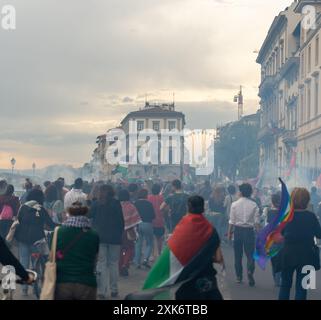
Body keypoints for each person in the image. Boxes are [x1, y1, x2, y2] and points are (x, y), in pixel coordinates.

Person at [143, 196, 224, 300]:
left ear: (188, 207)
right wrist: (204, 257)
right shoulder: (211, 230)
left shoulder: (182, 228)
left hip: (186, 282)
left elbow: (172, 255)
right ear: (203, 209)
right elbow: (218, 258)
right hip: (206, 281)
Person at [277, 188, 321, 300]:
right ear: (307, 201)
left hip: (288, 254)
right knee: (302, 287)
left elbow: (279, 233)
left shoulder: (287, 215)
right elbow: (319, 234)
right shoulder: (311, 217)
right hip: (306, 256)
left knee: (285, 285)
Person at [14, 189, 56, 296]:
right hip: (37, 239)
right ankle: (36, 287)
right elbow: (50, 224)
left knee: (24, 263)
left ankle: (24, 290)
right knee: (36, 262)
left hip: (22, 239)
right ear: (40, 198)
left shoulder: (23, 207)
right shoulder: (41, 209)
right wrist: (60, 226)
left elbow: (17, 221)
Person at [55, 202, 99, 300]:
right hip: (86, 282)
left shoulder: (59, 232)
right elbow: (95, 258)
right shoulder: (93, 235)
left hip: (63, 282)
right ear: (86, 214)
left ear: (69, 214)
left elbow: (54, 255)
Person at [90, 184, 124, 299]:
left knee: (101, 264)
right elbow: (121, 221)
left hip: (99, 238)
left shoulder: (96, 204)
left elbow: (89, 216)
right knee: (113, 264)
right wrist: (120, 235)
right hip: (115, 238)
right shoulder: (116, 203)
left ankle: (101, 291)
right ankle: (114, 290)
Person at [228, 183, 260, 287]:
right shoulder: (254, 205)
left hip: (238, 231)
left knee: (238, 255)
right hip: (249, 232)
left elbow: (232, 221)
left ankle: (238, 276)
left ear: (241, 192)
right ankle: (250, 271)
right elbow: (257, 223)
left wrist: (229, 233)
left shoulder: (234, 204)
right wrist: (260, 235)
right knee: (250, 255)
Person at [118, 189, 141, 277]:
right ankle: (125, 264)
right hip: (129, 230)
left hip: (118, 231)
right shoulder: (131, 206)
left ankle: (119, 267)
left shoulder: (116, 205)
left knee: (120, 249)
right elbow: (136, 220)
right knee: (129, 248)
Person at [263, 192, 282, 287]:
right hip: (282, 239)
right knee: (281, 260)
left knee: (273, 260)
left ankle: (276, 279)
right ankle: (279, 279)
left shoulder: (268, 211)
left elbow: (266, 227)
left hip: (271, 240)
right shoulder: (283, 213)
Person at [134, 189, 155, 269]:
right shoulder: (149, 203)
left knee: (138, 244)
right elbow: (153, 216)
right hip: (147, 224)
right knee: (149, 243)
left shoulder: (135, 203)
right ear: (146, 195)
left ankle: (137, 262)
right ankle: (145, 259)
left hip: (137, 224)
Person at [148, 184, 165, 257]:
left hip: (151, 221)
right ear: (159, 190)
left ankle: (152, 255)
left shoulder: (148, 197)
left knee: (151, 239)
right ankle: (159, 253)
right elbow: (164, 208)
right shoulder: (161, 198)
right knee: (159, 238)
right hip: (160, 221)